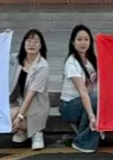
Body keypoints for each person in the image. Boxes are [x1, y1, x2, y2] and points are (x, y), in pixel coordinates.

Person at [59, 24, 101, 153]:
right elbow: (82, 92)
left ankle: (89, 132)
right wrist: (91, 116)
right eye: (79, 39)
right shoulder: (71, 63)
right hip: (69, 107)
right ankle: (82, 141)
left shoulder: (91, 60)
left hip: (84, 100)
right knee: (95, 99)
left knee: (100, 98)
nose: (83, 43)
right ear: (73, 42)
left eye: (86, 39)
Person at [8, 29, 50, 150]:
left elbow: (30, 95)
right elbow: (0, 53)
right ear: (24, 43)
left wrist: (19, 116)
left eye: (36, 41)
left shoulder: (43, 66)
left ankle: (36, 132)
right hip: (18, 102)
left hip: (35, 105)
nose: (32, 44)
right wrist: (4, 38)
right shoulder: (17, 59)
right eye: (29, 41)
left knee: (12, 116)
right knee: (3, 117)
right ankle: (24, 130)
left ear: (41, 46)